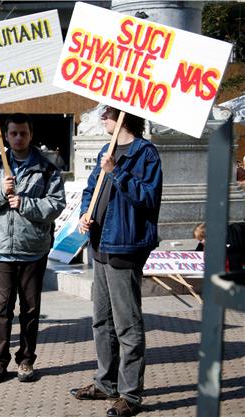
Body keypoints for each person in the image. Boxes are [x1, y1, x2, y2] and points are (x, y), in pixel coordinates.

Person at [70, 106, 162, 417]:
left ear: (123, 119)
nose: (102, 119)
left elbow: (148, 197)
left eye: (107, 115)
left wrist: (117, 172)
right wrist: (86, 214)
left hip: (125, 246)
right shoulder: (105, 151)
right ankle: (105, 382)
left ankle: (130, 395)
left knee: (127, 324)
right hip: (101, 245)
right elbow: (91, 190)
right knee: (102, 321)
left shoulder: (145, 153)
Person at [0, 113, 66, 383]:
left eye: (22, 133)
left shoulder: (46, 168)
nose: (18, 138)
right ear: (7, 135)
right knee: (1, 308)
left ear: (30, 135)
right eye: (13, 133)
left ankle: (26, 359)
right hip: (0, 249)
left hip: (32, 249)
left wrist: (24, 203)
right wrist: (2, 192)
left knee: (30, 308)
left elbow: (56, 205)